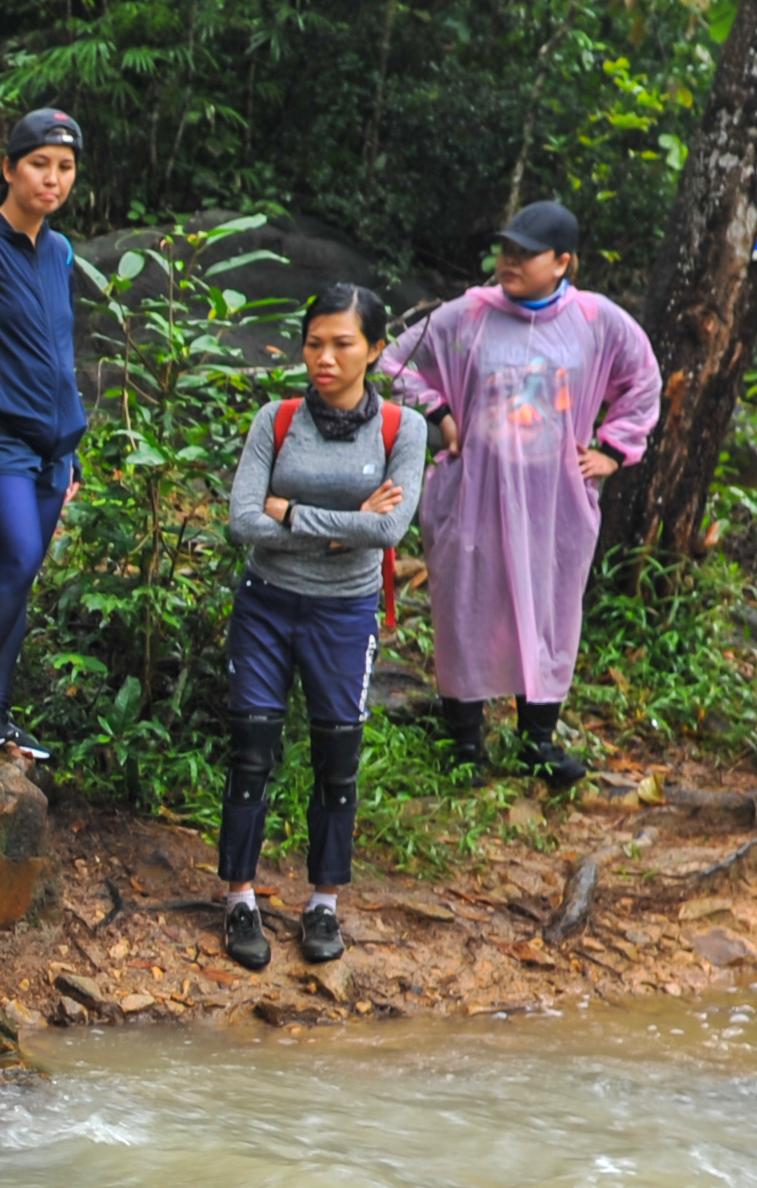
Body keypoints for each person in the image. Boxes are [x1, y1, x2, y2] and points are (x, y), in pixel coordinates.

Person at [381, 200, 661, 788]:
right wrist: (440, 414)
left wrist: (612, 448)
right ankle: (464, 742)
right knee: (466, 607)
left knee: (553, 610)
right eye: (505, 249)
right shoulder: (469, 316)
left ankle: (536, 741)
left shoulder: (596, 321)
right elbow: (396, 361)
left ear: (563, 261)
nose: (508, 261)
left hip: (555, 499)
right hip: (473, 491)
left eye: (524, 253)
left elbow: (643, 380)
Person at [216, 284, 426, 971]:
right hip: (267, 604)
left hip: (345, 613)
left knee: (338, 756)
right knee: (251, 749)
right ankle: (239, 897)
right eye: (314, 343)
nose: (325, 358)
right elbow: (243, 520)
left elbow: (390, 529)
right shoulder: (275, 420)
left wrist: (295, 514)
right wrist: (345, 527)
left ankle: (323, 903)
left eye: (343, 343)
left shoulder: (401, 430)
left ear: (374, 349)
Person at [0, 107, 88, 760]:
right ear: (8, 168)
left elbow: (61, 350)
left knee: (24, 572)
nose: (52, 179)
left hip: (55, 447)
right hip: (0, 438)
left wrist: (75, 446)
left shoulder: (59, 251)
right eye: (39, 164)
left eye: (64, 168)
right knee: (14, 558)